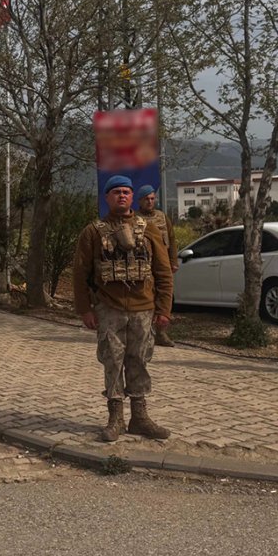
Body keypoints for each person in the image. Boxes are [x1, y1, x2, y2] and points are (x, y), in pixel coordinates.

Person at [73, 175, 173, 442]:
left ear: (132, 197)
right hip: (109, 308)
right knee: (113, 361)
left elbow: (163, 272)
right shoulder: (93, 232)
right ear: (107, 197)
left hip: (144, 308)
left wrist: (164, 309)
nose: (122, 195)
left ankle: (140, 418)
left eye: (126, 192)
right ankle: (115, 418)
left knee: (139, 360)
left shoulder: (148, 229)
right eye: (116, 191)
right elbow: (80, 273)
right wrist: (85, 310)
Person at [136, 185, 178, 347]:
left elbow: (171, 239)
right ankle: (144, 331)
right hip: (143, 263)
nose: (150, 201)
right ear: (139, 201)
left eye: (152, 198)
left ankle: (161, 332)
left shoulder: (162, 217)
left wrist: (173, 261)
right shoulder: (135, 218)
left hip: (162, 263)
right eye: (146, 199)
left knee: (164, 296)